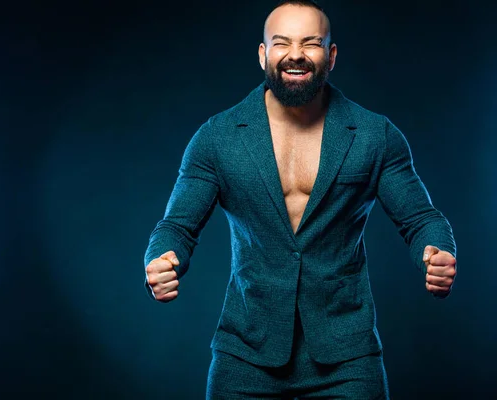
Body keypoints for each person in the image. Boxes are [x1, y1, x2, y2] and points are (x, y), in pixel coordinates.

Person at [143, 1, 457, 398]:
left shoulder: (375, 135)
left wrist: (436, 251)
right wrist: (162, 258)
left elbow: (420, 219)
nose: (295, 54)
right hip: (246, 350)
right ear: (263, 55)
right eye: (281, 43)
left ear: (331, 55)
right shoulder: (217, 137)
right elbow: (177, 227)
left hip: (347, 354)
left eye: (310, 43)